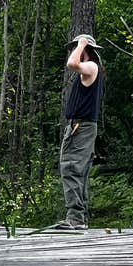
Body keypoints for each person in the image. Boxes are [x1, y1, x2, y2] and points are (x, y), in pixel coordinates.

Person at [54, 33, 105, 229]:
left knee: (72, 168)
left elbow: (71, 64)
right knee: (77, 170)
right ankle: (78, 218)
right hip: (80, 127)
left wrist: (82, 43)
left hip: (81, 127)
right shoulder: (90, 70)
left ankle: (75, 218)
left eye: (77, 48)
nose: (74, 51)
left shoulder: (91, 66)